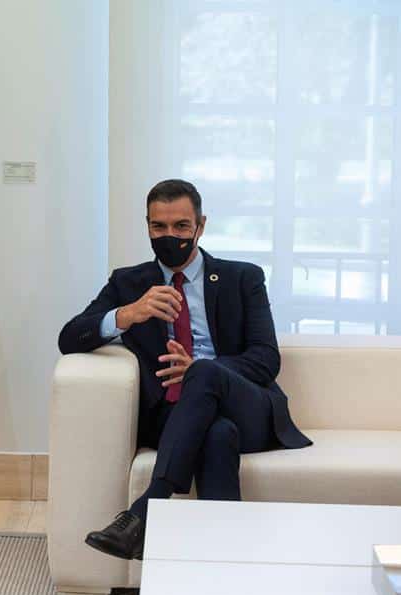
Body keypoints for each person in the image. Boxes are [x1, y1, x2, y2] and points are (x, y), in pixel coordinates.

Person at [58, 179, 312, 561]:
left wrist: (200, 369)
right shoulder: (129, 283)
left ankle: (144, 511)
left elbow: (265, 358)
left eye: (180, 226)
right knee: (217, 434)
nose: (169, 236)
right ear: (147, 225)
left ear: (200, 225)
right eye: (158, 227)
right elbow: (69, 337)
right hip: (176, 416)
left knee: (205, 373)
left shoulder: (242, 278)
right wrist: (127, 315)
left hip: (249, 408)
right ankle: (224, 569)